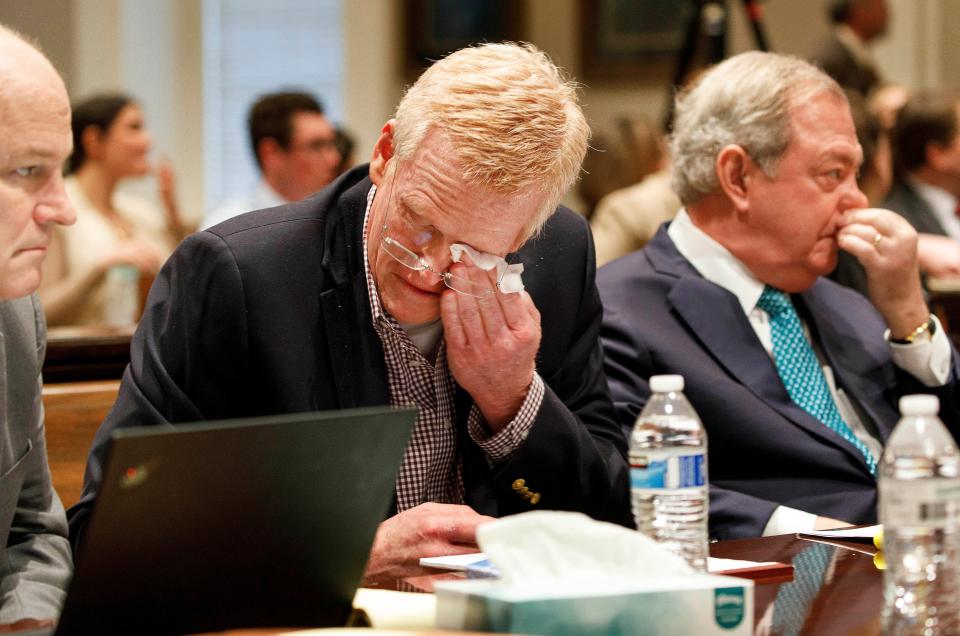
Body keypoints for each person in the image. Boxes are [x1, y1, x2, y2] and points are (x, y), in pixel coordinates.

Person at [69, 42, 631, 581]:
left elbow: (613, 517)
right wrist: (351, 554)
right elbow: (110, 537)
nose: (426, 270)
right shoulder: (240, 277)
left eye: (474, 252)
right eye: (420, 222)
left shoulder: (557, 255)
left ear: (528, 231)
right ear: (385, 154)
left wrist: (512, 401)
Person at [599, 51, 960, 541]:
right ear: (738, 177)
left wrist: (909, 316)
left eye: (857, 175)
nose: (858, 200)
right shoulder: (619, 311)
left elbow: (944, 443)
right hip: (786, 589)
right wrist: (820, 536)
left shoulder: (854, 304)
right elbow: (626, 485)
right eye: (834, 174)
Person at [0, 24, 76, 623]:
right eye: (27, 171)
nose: (64, 210)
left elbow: (33, 533)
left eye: (61, 170)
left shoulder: (16, 316)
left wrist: (28, 621)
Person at [40, 93, 190, 327]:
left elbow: (185, 286)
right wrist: (101, 268)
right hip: (79, 359)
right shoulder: (56, 208)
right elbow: (39, 313)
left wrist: (173, 213)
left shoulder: (141, 212)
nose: (148, 141)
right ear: (93, 140)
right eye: (134, 128)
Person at [202, 91, 341, 229]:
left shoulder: (340, 223)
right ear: (271, 153)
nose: (334, 159)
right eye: (316, 146)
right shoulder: (227, 230)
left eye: (331, 144)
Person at [809, 0, 889, 97]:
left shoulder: (854, 52)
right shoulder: (830, 59)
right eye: (880, 7)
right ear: (859, 12)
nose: (887, 14)